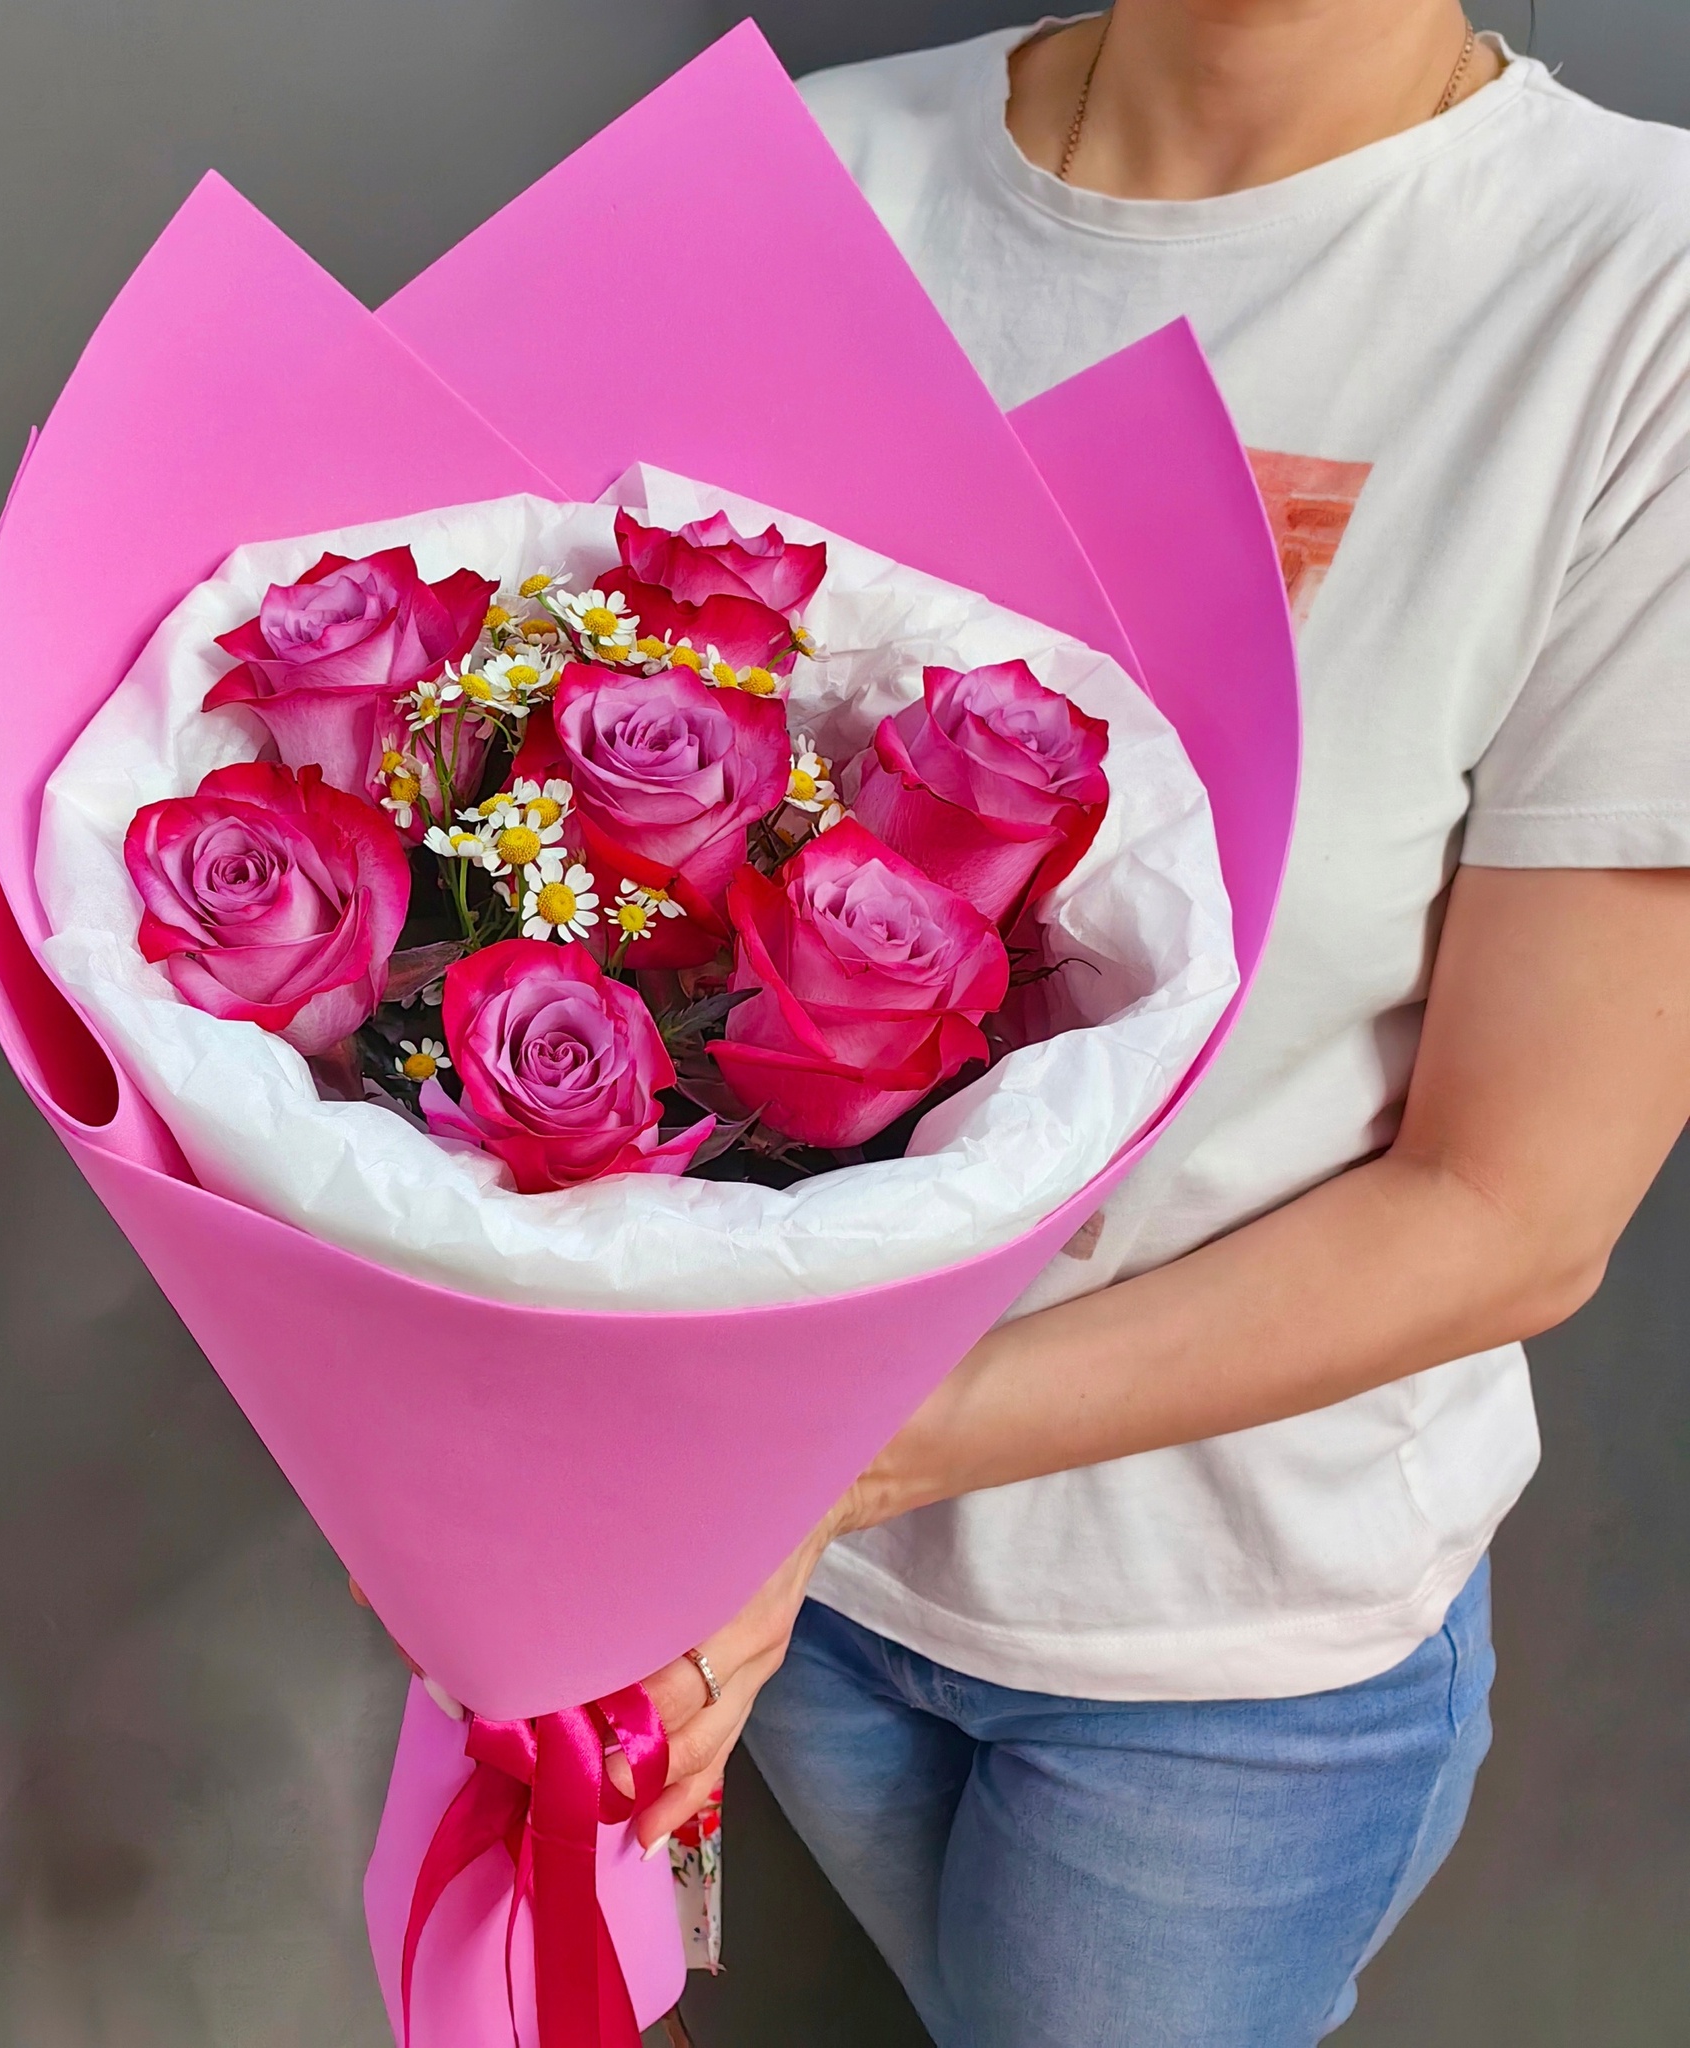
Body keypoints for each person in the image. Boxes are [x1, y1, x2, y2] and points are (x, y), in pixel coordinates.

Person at [629, 7, 1690, 2042]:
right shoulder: (805, 173)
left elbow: (1512, 1209)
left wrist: (812, 1469)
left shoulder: (1634, 291)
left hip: (1222, 1671)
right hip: (789, 1598)